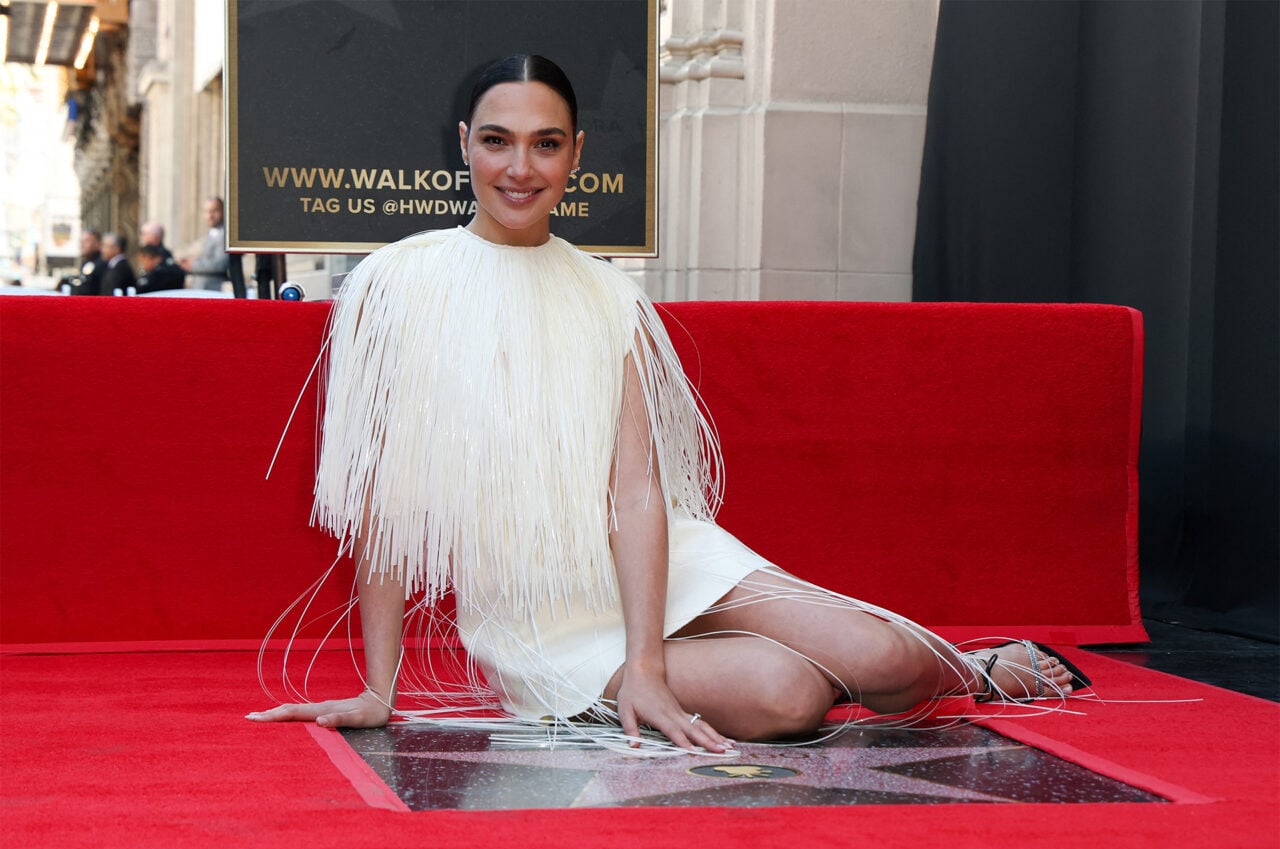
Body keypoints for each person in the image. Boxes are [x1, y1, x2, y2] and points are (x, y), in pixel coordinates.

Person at [248, 55, 1087, 754]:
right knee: (784, 695)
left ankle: (971, 671)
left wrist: (648, 659)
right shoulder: (396, 285)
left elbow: (638, 493)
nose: (519, 168)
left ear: (575, 153)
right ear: (463, 145)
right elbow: (390, 510)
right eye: (497, 141)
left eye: (545, 145)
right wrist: (377, 689)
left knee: (888, 655)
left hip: (667, 565)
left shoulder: (609, 296)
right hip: (544, 622)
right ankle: (775, 663)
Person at [181, 198, 245, 297]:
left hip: (214, 290)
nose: (210, 216)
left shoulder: (226, 235)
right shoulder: (209, 235)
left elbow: (220, 264)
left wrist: (192, 265)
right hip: (200, 289)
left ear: (223, 211)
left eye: (214, 211)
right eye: (207, 212)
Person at [64, 228, 106, 295]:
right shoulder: (86, 263)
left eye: (87, 241)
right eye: (81, 242)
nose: (82, 245)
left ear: (98, 244)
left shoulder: (102, 264)